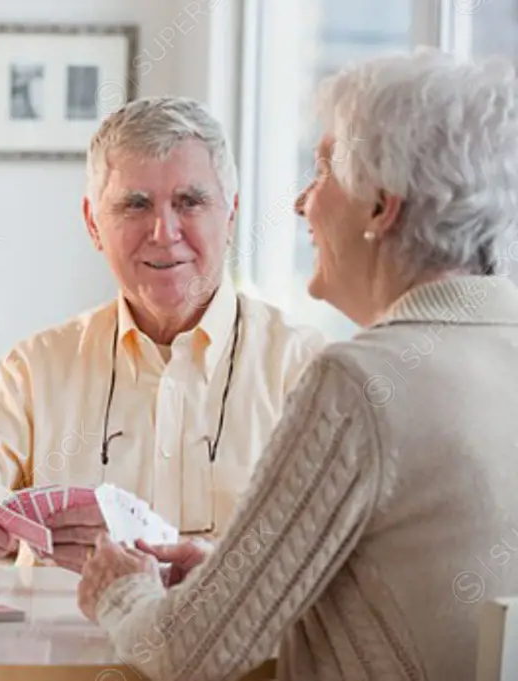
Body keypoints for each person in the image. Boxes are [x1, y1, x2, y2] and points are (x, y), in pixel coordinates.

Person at [77, 48, 518, 681]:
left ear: (380, 207)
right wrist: (237, 577)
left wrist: (121, 590)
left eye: (322, 171)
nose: (302, 203)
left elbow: (186, 655)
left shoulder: (359, 384)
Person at [0, 96, 326, 579]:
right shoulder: (37, 367)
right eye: (135, 205)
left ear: (229, 215)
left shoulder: (307, 367)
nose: (164, 232)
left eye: (189, 202)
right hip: (56, 651)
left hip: (238, 655)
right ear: (92, 224)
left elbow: (337, 558)